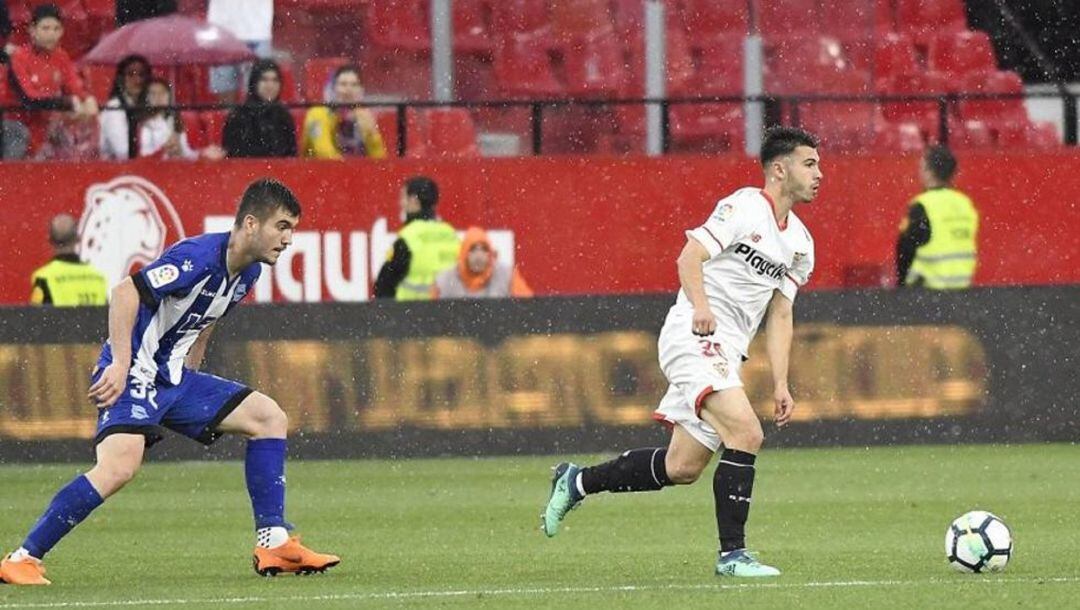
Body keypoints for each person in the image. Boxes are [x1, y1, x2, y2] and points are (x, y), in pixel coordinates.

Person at [0, 179, 340, 586]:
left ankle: (274, 542)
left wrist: (191, 369)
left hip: (174, 379)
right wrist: (121, 364)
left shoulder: (248, 272)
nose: (288, 239)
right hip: (136, 372)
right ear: (251, 223)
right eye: (282, 226)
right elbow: (126, 292)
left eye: (292, 229)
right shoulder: (198, 257)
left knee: (268, 417)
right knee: (118, 467)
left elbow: (207, 318)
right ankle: (21, 558)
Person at [540, 126, 820, 578]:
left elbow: (781, 315)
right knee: (747, 433)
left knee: (682, 466)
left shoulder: (801, 244)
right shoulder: (744, 207)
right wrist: (703, 308)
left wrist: (783, 382)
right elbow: (689, 258)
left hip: (727, 352)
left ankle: (577, 480)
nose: (818, 174)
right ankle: (733, 556)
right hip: (692, 335)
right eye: (810, 164)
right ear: (779, 168)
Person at [6, 4, 99, 155]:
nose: (51, 34)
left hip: (47, 127)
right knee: (18, 134)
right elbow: (29, 99)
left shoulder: (61, 56)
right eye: (46, 28)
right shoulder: (19, 57)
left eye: (56, 29)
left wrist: (87, 99)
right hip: (16, 124)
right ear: (32, 30)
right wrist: (67, 102)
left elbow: (74, 85)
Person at [895, 145, 979, 289]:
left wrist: (902, 284)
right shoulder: (965, 204)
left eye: (922, 167)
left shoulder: (922, 205)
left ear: (929, 172)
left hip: (928, 292)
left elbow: (905, 249)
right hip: (961, 289)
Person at [373, 176, 459, 300]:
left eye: (403, 197)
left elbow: (384, 285)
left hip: (412, 312)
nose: (400, 203)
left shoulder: (408, 238)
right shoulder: (451, 234)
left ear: (413, 200)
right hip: (450, 313)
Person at [301, 65, 386, 160]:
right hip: (321, 172)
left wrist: (371, 135)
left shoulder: (364, 117)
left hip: (357, 172)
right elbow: (324, 153)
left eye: (354, 84)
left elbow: (380, 159)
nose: (349, 89)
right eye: (343, 84)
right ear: (333, 88)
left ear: (361, 90)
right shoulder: (317, 114)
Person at [223, 59, 297, 158]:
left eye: (275, 80)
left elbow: (291, 155)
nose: (270, 86)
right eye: (264, 80)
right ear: (254, 82)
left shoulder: (283, 115)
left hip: (279, 171)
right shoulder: (238, 115)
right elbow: (233, 154)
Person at [432, 227, 533, 299]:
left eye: (484, 249)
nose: (478, 256)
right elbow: (431, 318)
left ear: (490, 254)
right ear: (463, 254)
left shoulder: (507, 276)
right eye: (473, 249)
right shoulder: (444, 281)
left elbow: (527, 309)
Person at [29, 214, 107, 307]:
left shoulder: (43, 277)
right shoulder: (98, 278)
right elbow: (107, 316)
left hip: (59, 322)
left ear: (51, 240)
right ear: (77, 239)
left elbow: (34, 317)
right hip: (93, 322)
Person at [138, 77, 224, 160]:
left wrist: (203, 153)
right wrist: (164, 150)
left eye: (162, 92)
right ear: (147, 98)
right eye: (153, 93)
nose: (158, 97)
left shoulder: (176, 119)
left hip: (177, 167)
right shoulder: (144, 124)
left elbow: (187, 154)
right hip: (156, 170)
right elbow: (144, 156)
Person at [207, 0, 274, 103]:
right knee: (224, 92)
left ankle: (257, 119)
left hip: (257, 31)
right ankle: (229, 119)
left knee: (259, 92)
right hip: (221, 30)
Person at [99, 54, 151, 160]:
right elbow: (122, 152)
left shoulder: (149, 107)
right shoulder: (114, 108)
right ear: (121, 79)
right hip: (114, 172)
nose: (137, 80)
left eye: (141, 74)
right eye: (131, 74)